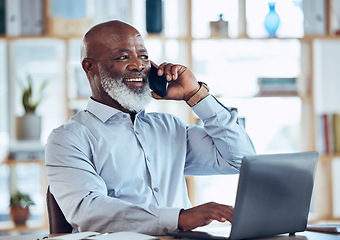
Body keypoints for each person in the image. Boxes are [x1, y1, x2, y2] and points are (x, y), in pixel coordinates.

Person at [45, 20, 256, 235]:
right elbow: (89, 212)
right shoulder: (68, 139)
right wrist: (180, 218)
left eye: (144, 57)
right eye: (123, 57)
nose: (139, 65)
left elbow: (240, 159)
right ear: (89, 67)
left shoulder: (170, 127)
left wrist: (196, 95)